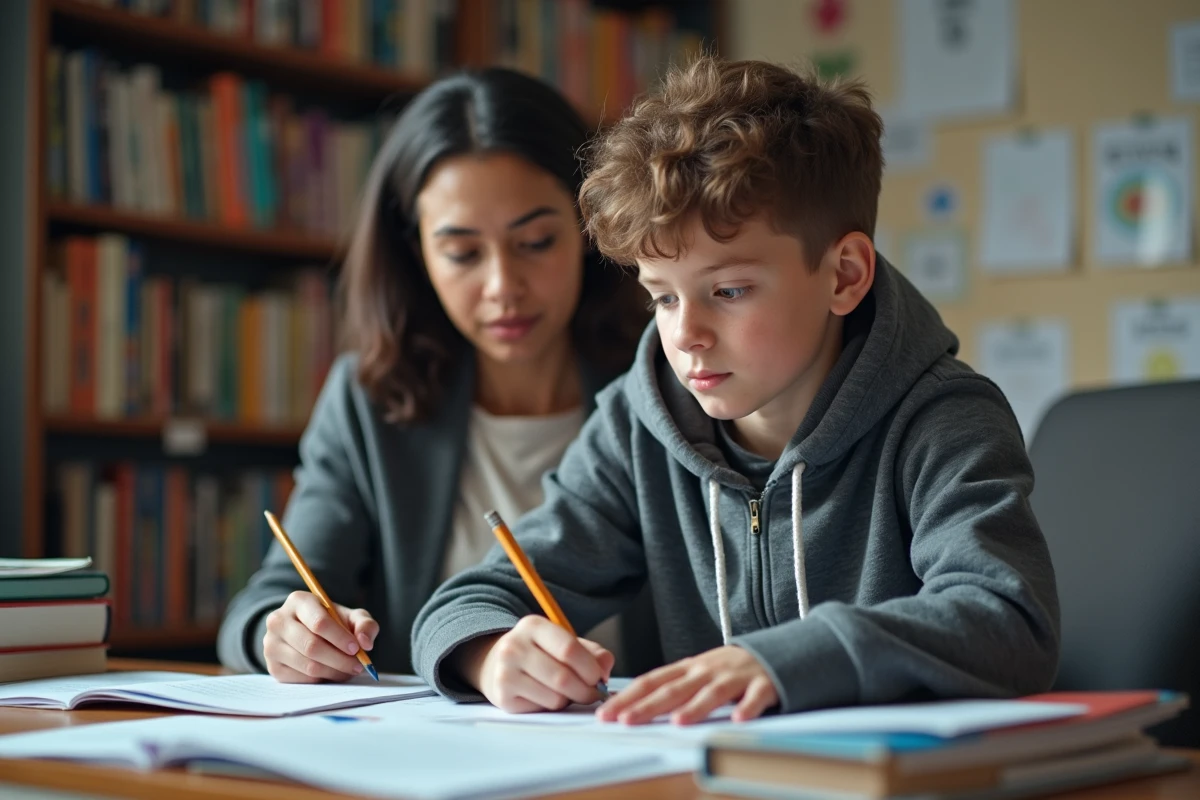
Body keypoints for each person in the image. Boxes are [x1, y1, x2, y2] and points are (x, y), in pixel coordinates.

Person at [411, 56, 1060, 723]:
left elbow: (1008, 619)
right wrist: (491, 654)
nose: (686, 334)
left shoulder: (942, 420)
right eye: (662, 297)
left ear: (844, 275)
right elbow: (462, 605)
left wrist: (788, 658)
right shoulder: (639, 426)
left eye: (728, 291)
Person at [217, 68, 656, 682]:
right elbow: (272, 599)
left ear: (590, 227)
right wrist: (283, 633)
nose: (504, 286)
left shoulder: (666, 384)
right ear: (416, 250)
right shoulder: (371, 398)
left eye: (536, 241)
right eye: (463, 253)